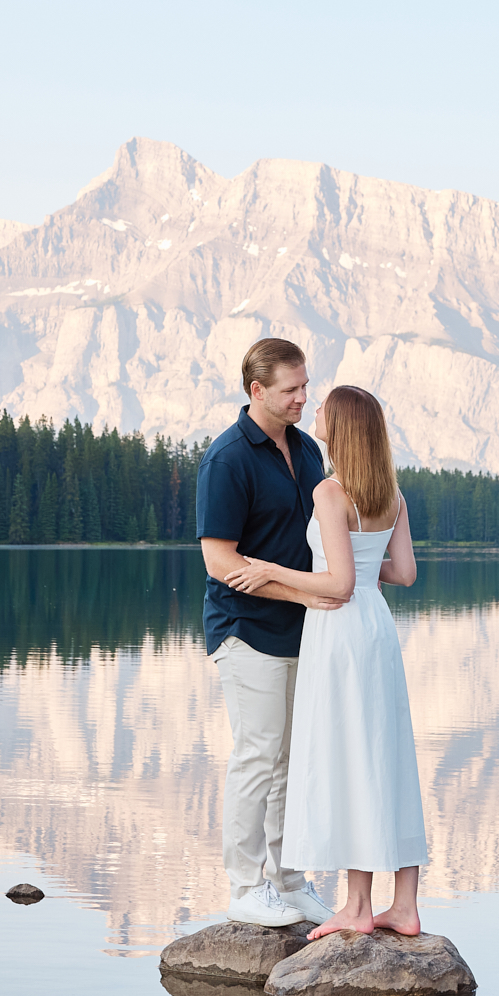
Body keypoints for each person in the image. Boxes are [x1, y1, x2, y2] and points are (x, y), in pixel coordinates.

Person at [225, 383, 427, 939]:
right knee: (387, 754)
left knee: (347, 757)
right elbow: (404, 573)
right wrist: (363, 569)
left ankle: (358, 908)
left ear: (340, 428)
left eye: (323, 408)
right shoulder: (394, 494)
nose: (312, 410)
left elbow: (335, 586)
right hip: (378, 628)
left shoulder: (331, 493)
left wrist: (269, 570)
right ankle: (404, 905)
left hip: (340, 634)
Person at [196, 337, 342, 929]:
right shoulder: (227, 459)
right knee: (258, 756)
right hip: (246, 631)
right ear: (256, 390)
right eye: (292, 389)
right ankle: (244, 886)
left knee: (293, 761)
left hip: (303, 632)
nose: (304, 398)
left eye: (306, 385)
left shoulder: (306, 450)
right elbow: (219, 561)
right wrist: (306, 591)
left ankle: (289, 881)